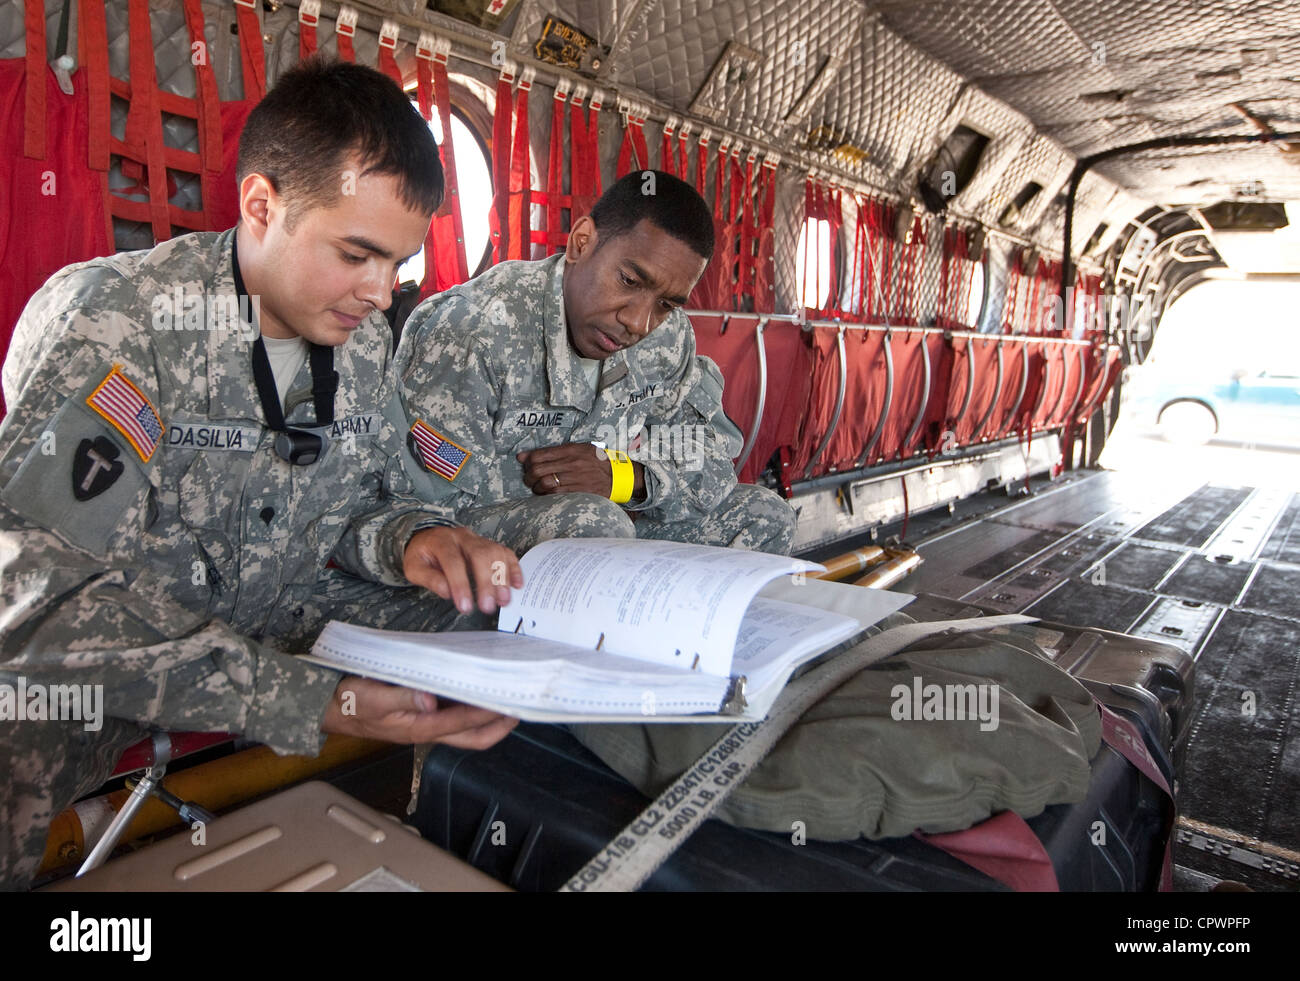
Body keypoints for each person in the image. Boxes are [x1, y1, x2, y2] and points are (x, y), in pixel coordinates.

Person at [0, 59, 522, 890]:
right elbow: (31, 595)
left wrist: (410, 539)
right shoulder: (119, 322)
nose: (383, 293)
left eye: (398, 263)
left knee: (499, 617)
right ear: (260, 205)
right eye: (358, 254)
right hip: (142, 648)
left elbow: (360, 505)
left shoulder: (362, 340)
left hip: (286, 610)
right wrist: (304, 699)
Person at [394, 170, 796, 556]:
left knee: (766, 516)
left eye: (666, 304)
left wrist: (621, 476)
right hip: (478, 543)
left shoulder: (668, 338)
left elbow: (708, 453)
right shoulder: (476, 328)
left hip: (609, 523)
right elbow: (421, 505)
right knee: (596, 523)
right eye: (629, 281)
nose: (638, 322)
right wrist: (575, 497)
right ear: (581, 242)